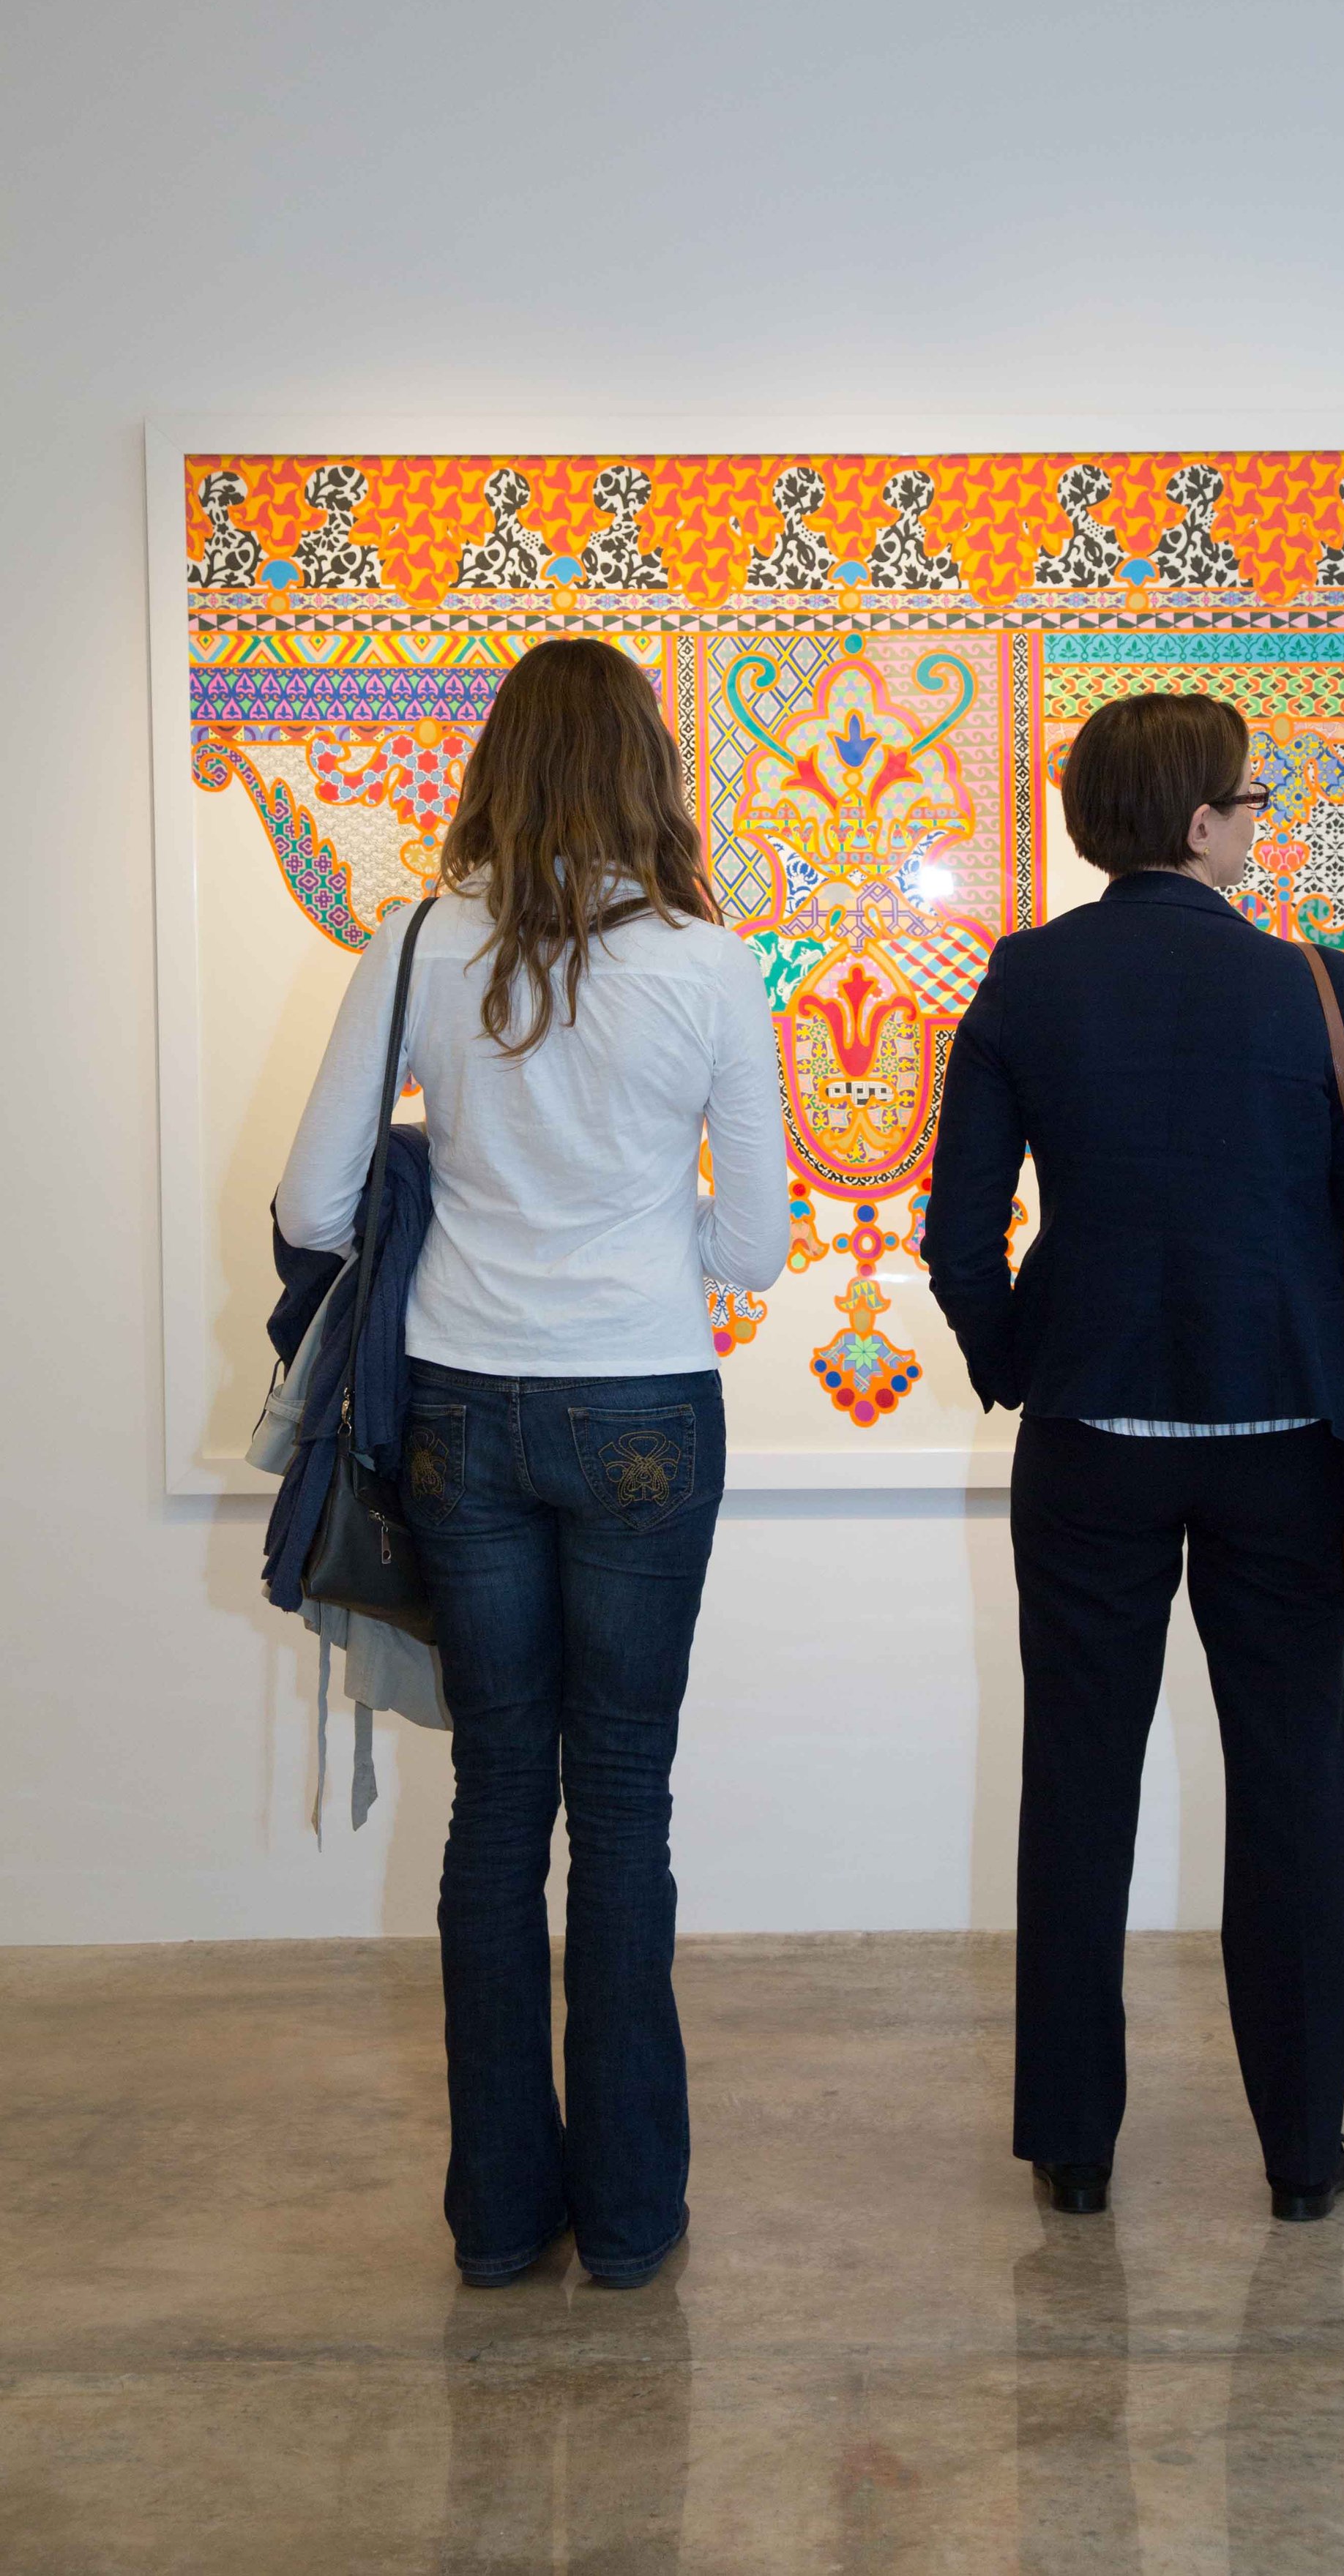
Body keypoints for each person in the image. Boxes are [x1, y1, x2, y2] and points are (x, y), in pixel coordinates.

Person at [276, 639, 789, 2288]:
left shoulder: (418, 940)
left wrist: (464, 1193)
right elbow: (755, 1249)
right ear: (648, 773)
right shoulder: (709, 964)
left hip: (459, 1409)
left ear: (499, 766)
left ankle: (499, 2219)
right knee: (623, 1801)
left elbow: (312, 1208)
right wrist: (637, 1229)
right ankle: (632, 2219)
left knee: (498, 1796)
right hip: (643, 1399)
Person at [922, 691, 1344, 2224]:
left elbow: (958, 1234)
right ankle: (1300, 2153)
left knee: (1077, 1781)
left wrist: (1022, 1362)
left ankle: (1073, 2149)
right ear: (1203, 822)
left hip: (1092, 1437)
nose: (1258, 822)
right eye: (1250, 800)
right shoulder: (1317, 986)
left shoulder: (1026, 976)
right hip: (1288, 1442)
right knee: (1292, 1785)